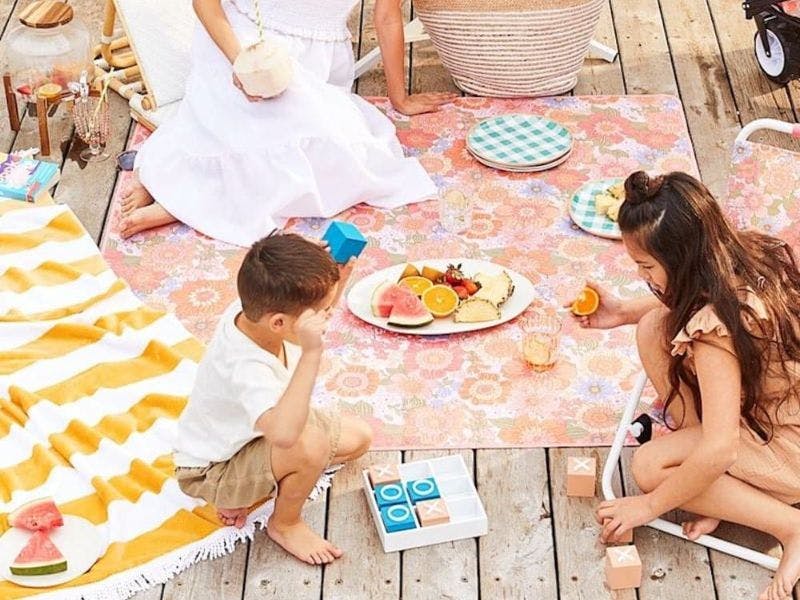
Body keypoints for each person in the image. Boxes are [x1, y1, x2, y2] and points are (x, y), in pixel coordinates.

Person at [569, 171, 800, 600]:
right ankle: (712, 489)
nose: (645, 278)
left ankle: (791, 526)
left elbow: (721, 447)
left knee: (650, 468)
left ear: (682, 260)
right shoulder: (741, 252)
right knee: (653, 323)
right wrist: (622, 312)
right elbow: (681, 302)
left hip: (789, 444)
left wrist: (648, 507)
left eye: (647, 268)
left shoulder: (716, 329)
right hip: (776, 407)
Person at [119, 0, 455, 245]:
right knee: (253, 125)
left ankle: (181, 192)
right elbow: (205, 3)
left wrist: (400, 98)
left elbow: (387, 17)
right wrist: (241, 62)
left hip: (316, 65)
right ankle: (182, 195)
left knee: (343, 152)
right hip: (242, 44)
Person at [173, 232, 372, 565]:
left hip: (252, 435)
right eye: (321, 312)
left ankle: (250, 493)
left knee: (359, 439)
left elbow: (287, 289)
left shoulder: (257, 307)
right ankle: (284, 523)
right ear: (279, 322)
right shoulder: (247, 369)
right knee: (311, 447)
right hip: (214, 468)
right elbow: (284, 435)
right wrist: (311, 351)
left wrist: (329, 280)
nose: (326, 318)